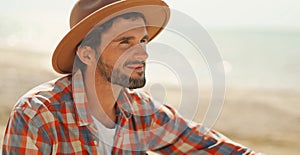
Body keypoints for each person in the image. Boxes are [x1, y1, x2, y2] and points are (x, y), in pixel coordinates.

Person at [2, 0, 258, 154]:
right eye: (125, 42)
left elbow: (211, 148)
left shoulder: (142, 112)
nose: (143, 53)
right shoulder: (38, 114)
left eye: (143, 40)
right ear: (87, 54)